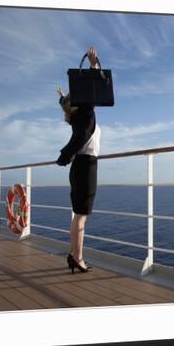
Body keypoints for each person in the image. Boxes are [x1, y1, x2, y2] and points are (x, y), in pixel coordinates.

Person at [56, 46, 102, 274]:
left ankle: (74, 255)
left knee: (77, 216)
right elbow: (95, 91)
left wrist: (62, 98)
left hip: (78, 167)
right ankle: (79, 258)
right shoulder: (85, 116)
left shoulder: (76, 118)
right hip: (87, 167)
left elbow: (75, 104)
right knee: (81, 217)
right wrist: (93, 65)